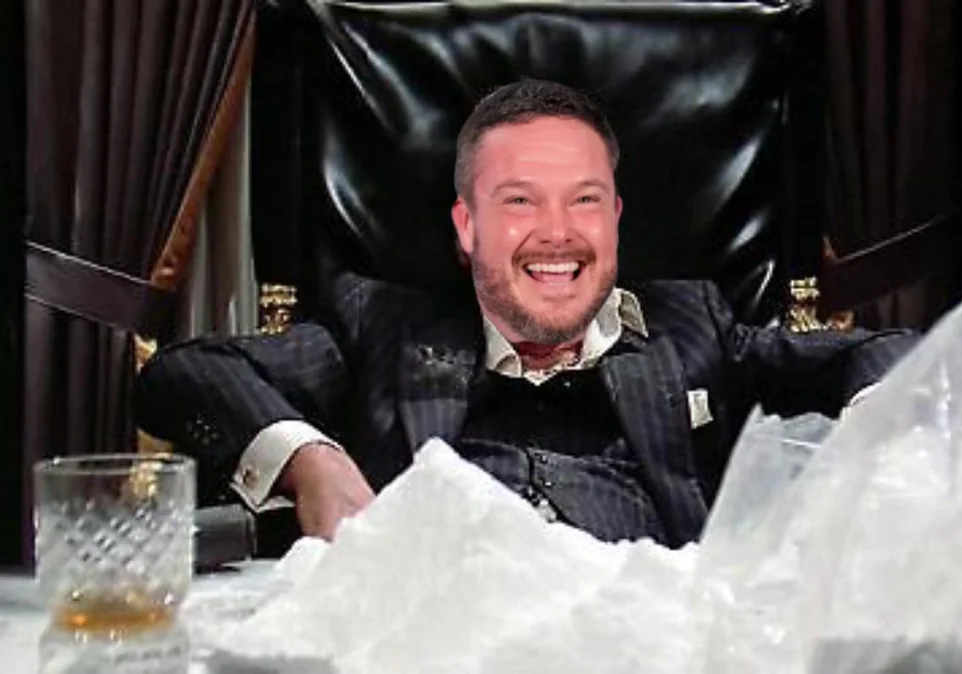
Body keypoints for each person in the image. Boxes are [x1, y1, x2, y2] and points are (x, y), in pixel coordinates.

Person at [136, 79, 915, 547]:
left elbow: (883, 354)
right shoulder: (381, 326)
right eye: (519, 203)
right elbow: (186, 373)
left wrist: (878, 436)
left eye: (585, 201)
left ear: (615, 219)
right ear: (466, 227)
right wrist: (314, 463)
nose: (557, 234)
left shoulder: (691, 328)